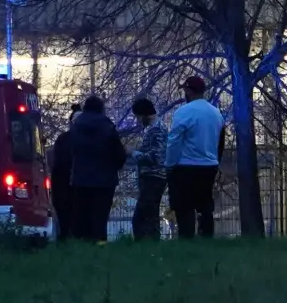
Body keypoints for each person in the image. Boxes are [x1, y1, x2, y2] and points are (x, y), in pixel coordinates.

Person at [165, 76, 223, 239]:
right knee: (205, 204)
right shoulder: (215, 113)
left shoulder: (184, 112)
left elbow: (174, 141)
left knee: (185, 206)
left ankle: (187, 239)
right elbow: (220, 140)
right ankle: (206, 237)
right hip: (209, 165)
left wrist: (170, 163)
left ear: (189, 91)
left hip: (186, 165)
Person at [66, 96, 127, 243]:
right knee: (100, 216)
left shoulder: (76, 126)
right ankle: (100, 244)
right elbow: (119, 152)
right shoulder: (107, 125)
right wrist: (115, 167)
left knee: (82, 215)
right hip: (104, 180)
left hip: (81, 179)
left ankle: (81, 245)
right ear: (101, 108)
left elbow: (70, 150)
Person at [129, 97, 167, 241]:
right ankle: (151, 244)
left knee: (142, 217)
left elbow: (155, 157)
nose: (138, 121)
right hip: (153, 177)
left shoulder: (156, 129)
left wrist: (134, 153)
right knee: (150, 215)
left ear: (144, 114)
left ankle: (145, 244)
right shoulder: (155, 128)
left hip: (153, 177)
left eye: (138, 117)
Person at [48, 104, 81, 241]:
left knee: (67, 221)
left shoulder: (63, 139)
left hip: (65, 185)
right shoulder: (66, 140)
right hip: (69, 185)